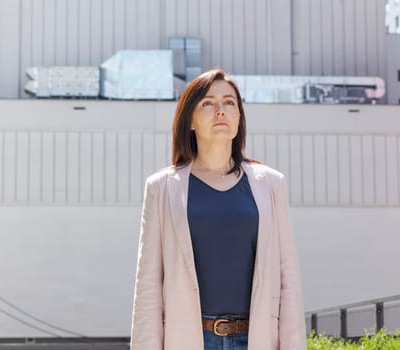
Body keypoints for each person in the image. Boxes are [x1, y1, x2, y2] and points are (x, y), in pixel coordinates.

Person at [130, 69, 306, 350]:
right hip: (190, 340)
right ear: (189, 120)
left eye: (229, 102)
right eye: (208, 103)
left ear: (239, 119)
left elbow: (289, 281)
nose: (221, 110)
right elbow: (148, 287)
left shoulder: (271, 184)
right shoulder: (162, 188)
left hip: (256, 340)